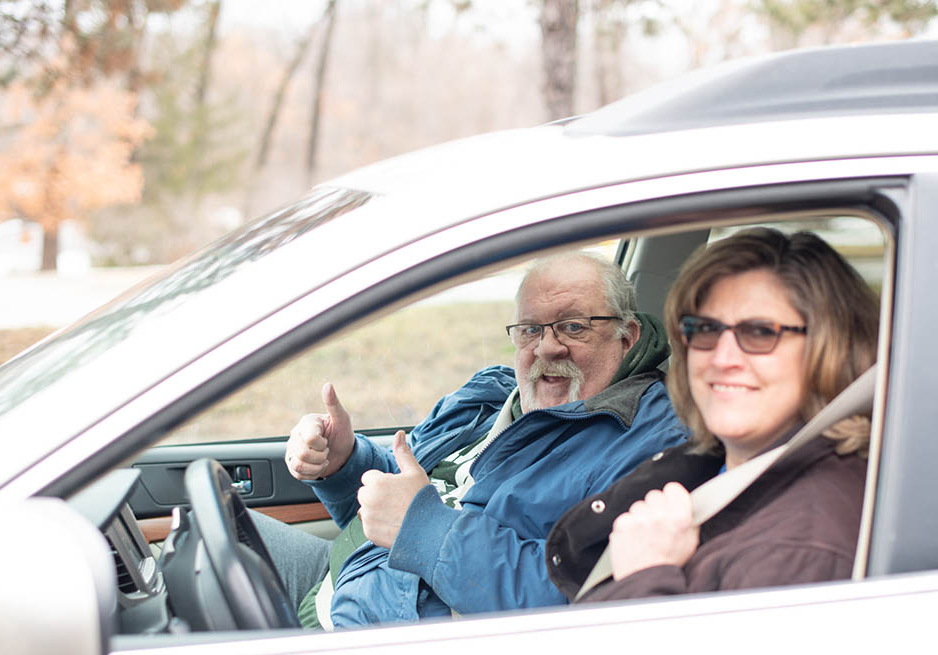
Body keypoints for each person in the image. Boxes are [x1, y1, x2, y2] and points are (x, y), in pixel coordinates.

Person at [259, 250, 688, 628]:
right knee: (201, 535)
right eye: (530, 330)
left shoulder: (648, 437)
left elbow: (579, 595)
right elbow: (406, 492)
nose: (547, 348)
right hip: (346, 581)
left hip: (382, 641)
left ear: (626, 337)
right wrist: (343, 462)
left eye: (573, 327)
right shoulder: (489, 392)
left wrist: (425, 529)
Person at [545, 228, 879, 602]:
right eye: (705, 329)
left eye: (759, 332)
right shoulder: (717, 464)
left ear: (830, 349)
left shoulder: (801, 549)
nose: (722, 359)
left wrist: (645, 576)